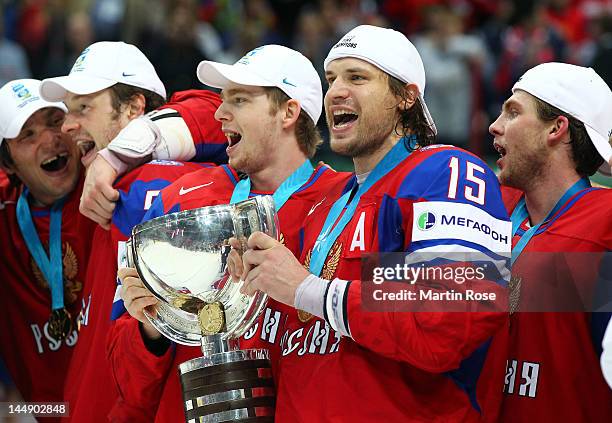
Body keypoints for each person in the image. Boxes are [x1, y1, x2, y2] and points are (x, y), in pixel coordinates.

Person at [227, 25, 511, 421]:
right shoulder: (329, 198)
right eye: (331, 79)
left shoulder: (444, 173)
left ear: (406, 97)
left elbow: (448, 316)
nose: (336, 92)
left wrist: (309, 290)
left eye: (357, 77)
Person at [111, 44, 351, 422]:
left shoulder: (347, 201)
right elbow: (125, 382)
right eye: (223, 100)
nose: (220, 113)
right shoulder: (179, 202)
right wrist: (150, 329)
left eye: (238, 100)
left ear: (288, 112)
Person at [39, 41, 227, 422]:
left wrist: (118, 154)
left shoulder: (153, 186)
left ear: (135, 109)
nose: (68, 124)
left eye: (84, 107)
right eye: (68, 110)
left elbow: (210, 110)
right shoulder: (94, 184)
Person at [480, 62, 612, 422]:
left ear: (556, 128)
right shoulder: (486, 207)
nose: (495, 125)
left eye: (513, 112)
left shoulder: (605, 223)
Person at [0, 79, 92, 411]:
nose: (51, 139)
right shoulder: (5, 209)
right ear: (8, 163)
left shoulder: (107, 183)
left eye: (55, 121)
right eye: (27, 134)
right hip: (47, 412)